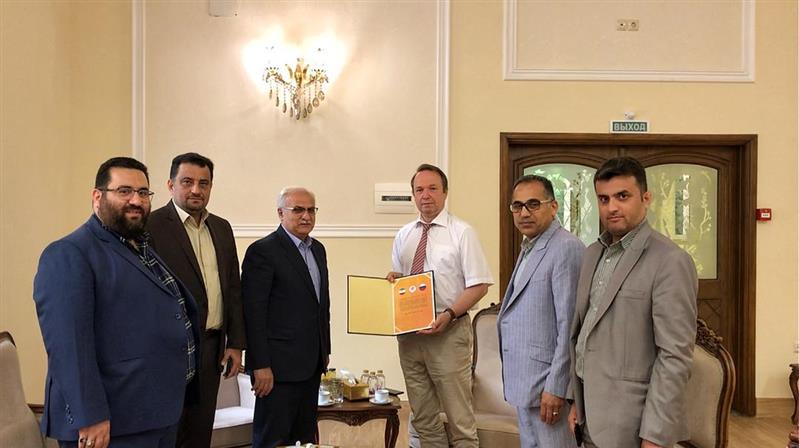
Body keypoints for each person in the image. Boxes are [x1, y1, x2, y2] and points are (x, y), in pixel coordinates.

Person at [33, 157, 200, 448]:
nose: (136, 200)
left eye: (143, 192)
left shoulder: (140, 247)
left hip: (155, 413)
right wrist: (90, 415)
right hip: (110, 423)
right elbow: (68, 347)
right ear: (97, 197)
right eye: (124, 191)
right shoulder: (69, 253)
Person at [567, 156, 698, 448]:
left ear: (646, 198)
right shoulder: (592, 254)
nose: (611, 207)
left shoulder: (670, 261)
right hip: (588, 416)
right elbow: (583, 334)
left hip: (632, 423)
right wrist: (576, 399)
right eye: (603, 199)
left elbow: (674, 356)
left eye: (622, 196)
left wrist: (655, 434)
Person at [387, 164, 494, 448]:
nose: (426, 195)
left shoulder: (462, 232)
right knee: (423, 419)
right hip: (410, 336)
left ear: (445, 192)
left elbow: (480, 285)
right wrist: (393, 280)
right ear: (413, 195)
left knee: (460, 419)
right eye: (419, 190)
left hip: (449, 331)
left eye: (433, 188)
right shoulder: (404, 235)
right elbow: (400, 281)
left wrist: (449, 314)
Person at [146, 152, 246, 448]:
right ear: (170, 185)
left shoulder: (222, 228)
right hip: (168, 350)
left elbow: (233, 289)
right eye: (187, 182)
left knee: (200, 433)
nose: (196, 190)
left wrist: (236, 343)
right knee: (169, 433)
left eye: (204, 183)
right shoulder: (150, 226)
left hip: (212, 349)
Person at [241, 187, 331, 448]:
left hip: (311, 365)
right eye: (298, 210)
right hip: (276, 370)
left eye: (311, 210)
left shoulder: (318, 250)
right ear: (281, 213)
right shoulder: (263, 251)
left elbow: (321, 307)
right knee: (272, 440)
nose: (306, 216)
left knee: (304, 440)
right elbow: (253, 313)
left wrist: (324, 350)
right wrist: (259, 365)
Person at [497, 175, 583, 448]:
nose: (524, 213)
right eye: (517, 206)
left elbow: (569, 326)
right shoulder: (531, 245)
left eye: (533, 204)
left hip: (548, 389)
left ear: (553, 206)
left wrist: (557, 387)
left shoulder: (566, 247)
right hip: (527, 385)